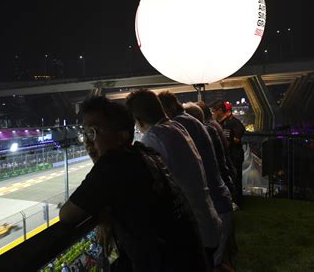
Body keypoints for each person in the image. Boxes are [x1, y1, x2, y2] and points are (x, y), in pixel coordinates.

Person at [60, 96, 206, 271]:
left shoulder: (113, 164)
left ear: (122, 136)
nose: (88, 142)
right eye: (85, 134)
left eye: (94, 131)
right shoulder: (146, 153)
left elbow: (67, 214)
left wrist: (102, 212)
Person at [126, 90, 221, 255]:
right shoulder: (176, 127)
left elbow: (145, 188)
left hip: (195, 233)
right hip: (207, 222)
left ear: (139, 121)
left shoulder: (153, 138)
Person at [158, 91, 232, 268]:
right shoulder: (192, 123)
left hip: (213, 207)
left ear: (167, 108)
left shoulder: (178, 126)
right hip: (218, 204)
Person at [183, 102, 235, 268]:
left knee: (213, 259)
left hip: (216, 202)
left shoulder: (204, 133)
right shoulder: (211, 129)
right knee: (219, 253)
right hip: (222, 196)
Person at [210, 100, 246, 208]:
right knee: (227, 179)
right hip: (227, 155)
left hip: (235, 155)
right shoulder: (221, 123)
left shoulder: (237, 124)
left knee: (236, 179)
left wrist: (229, 137)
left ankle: (238, 202)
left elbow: (236, 139)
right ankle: (230, 200)